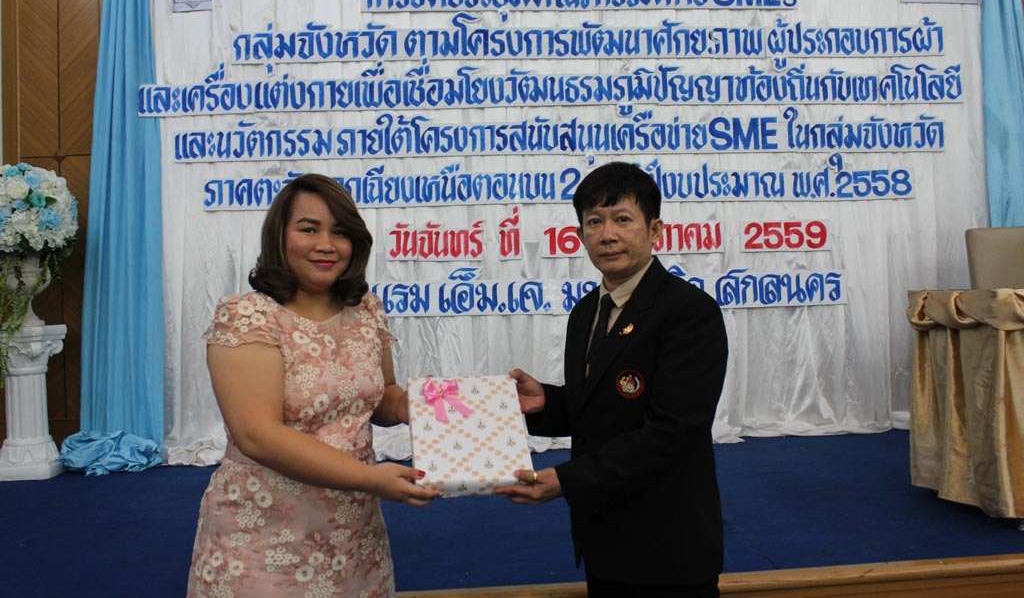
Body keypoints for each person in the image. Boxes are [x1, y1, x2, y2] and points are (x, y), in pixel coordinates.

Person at [187, 173, 440, 598]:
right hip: (264, 536)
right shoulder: (248, 317)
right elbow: (257, 435)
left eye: (340, 232)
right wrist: (370, 478)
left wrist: (418, 406)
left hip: (353, 536)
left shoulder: (366, 310)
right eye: (309, 229)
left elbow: (381, 396)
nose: (327, 244)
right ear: (279, 236)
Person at [495, 161, 729, 597]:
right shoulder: (586, 311)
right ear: (580, 233)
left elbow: (672, 431)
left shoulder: (689, 312)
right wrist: (547, 402)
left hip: (668, 546)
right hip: (603, 538)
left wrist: (568, 481)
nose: (607, 235)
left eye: (622, 219)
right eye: (594, 222)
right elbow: (603, 407)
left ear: (655, 230)